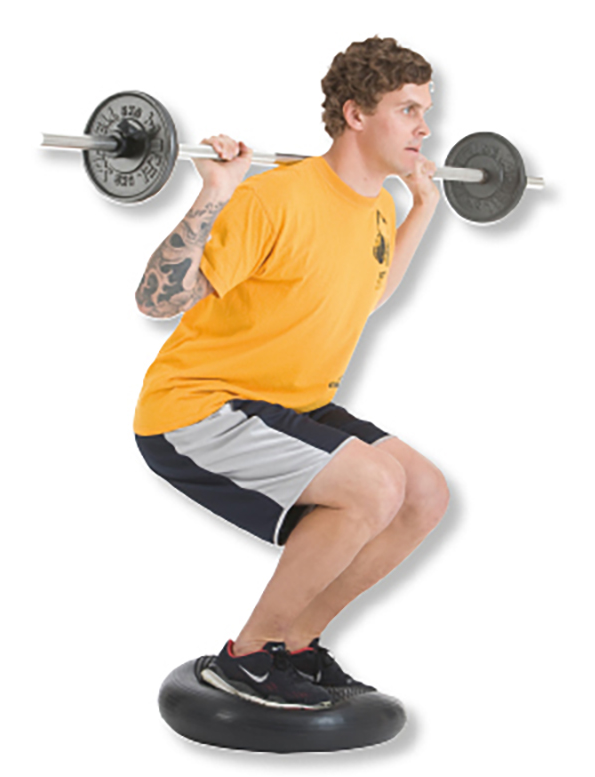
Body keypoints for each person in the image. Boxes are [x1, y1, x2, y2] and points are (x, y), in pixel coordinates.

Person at [134, 36, 450, 710]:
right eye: (408, 109)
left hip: (291, 402)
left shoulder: (378, 205)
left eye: (426, 110)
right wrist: (218, 190)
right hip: (199, 406)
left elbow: (366, 294)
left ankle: (296, 646)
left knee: (423, 493)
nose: (425, 127)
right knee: (373, 485)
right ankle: (247, 658)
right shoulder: (272, 199)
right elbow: (156, 301)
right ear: (356, 115)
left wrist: (423, 208)